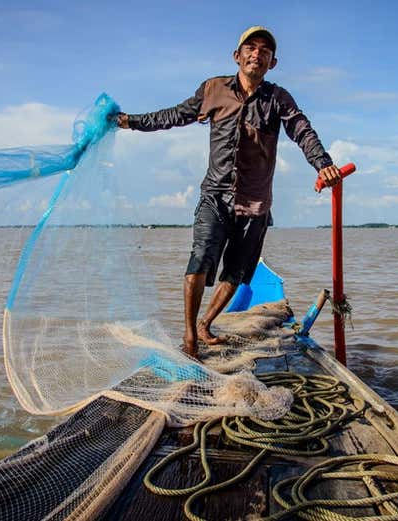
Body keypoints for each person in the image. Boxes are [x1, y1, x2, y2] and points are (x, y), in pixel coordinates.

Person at [117, 26, 343, 357]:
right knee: (200, 259)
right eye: (250, 47)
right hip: (215, 194)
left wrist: (322, 163)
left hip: (255, 203)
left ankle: (206, 323)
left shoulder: (277, 99)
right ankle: (190, 336)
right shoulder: (213, 89)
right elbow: (172, 116)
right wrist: (129, 121)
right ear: (237, 56)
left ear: (273, 63)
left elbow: (301, 129)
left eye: (264, 51)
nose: (257, 53)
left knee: (237, 271)